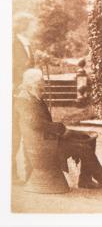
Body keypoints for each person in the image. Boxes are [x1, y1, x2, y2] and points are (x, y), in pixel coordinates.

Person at [16, 68, 102, 192]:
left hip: (48, 139)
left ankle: (85, 180)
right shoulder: (24, 100)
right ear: (34, 84)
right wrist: (62, 130)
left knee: (88, 137)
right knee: (83, 147)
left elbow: (42, 124)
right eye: (42, 82)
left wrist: (62, 130)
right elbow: (36, 123)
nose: (44, 85)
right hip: (43, 146)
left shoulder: (34, 96)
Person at [12, 12, 36, 184]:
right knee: (14, 134)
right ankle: (11, 175)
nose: (34, 28)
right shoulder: (12, 43)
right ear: (24, 25)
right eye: (32, 25)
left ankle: (31, 174)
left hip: (27, 95)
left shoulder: (27, 44)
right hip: (15, 94)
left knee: (30, 132)